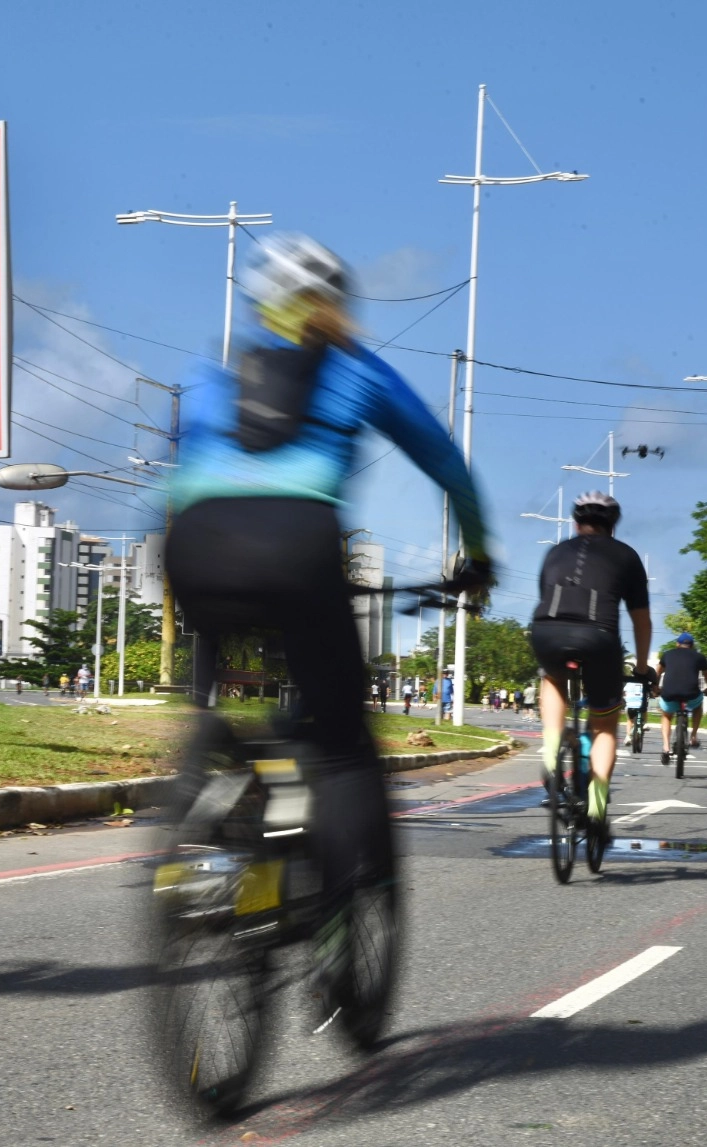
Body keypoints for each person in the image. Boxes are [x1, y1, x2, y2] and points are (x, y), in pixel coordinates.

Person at [165, 232, 492, 995]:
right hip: (296, 545)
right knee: (343, 748)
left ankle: (198, 814)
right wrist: (477, 556)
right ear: (337, 306)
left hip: (195, 546)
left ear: (260, 306)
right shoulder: (354, 370)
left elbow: (178, 480)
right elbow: (446, 464)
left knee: (210, 707)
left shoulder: (214, 374)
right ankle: (338, 921)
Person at [529, 492, 653, 838]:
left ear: (575, 522)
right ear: (613, 525)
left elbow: (545, 595)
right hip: (599, 638)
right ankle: (597, 808)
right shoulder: (627, 555)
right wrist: (641, 670)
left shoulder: (555, 551)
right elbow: (642, 622)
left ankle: (552, 750)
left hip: (546, 632)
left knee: (551, 680)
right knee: (603, 725)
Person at [657, 633, 707, 762]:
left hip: (669, 693)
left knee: (667, 715)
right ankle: (693, 737)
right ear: (692, 645)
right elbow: (706, 675)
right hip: (691, 694)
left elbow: (658, 671)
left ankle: (666, 747)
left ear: (677, 644)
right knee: (698, 706)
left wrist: (655, 687)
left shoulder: (667, 654)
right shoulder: (700, 657)